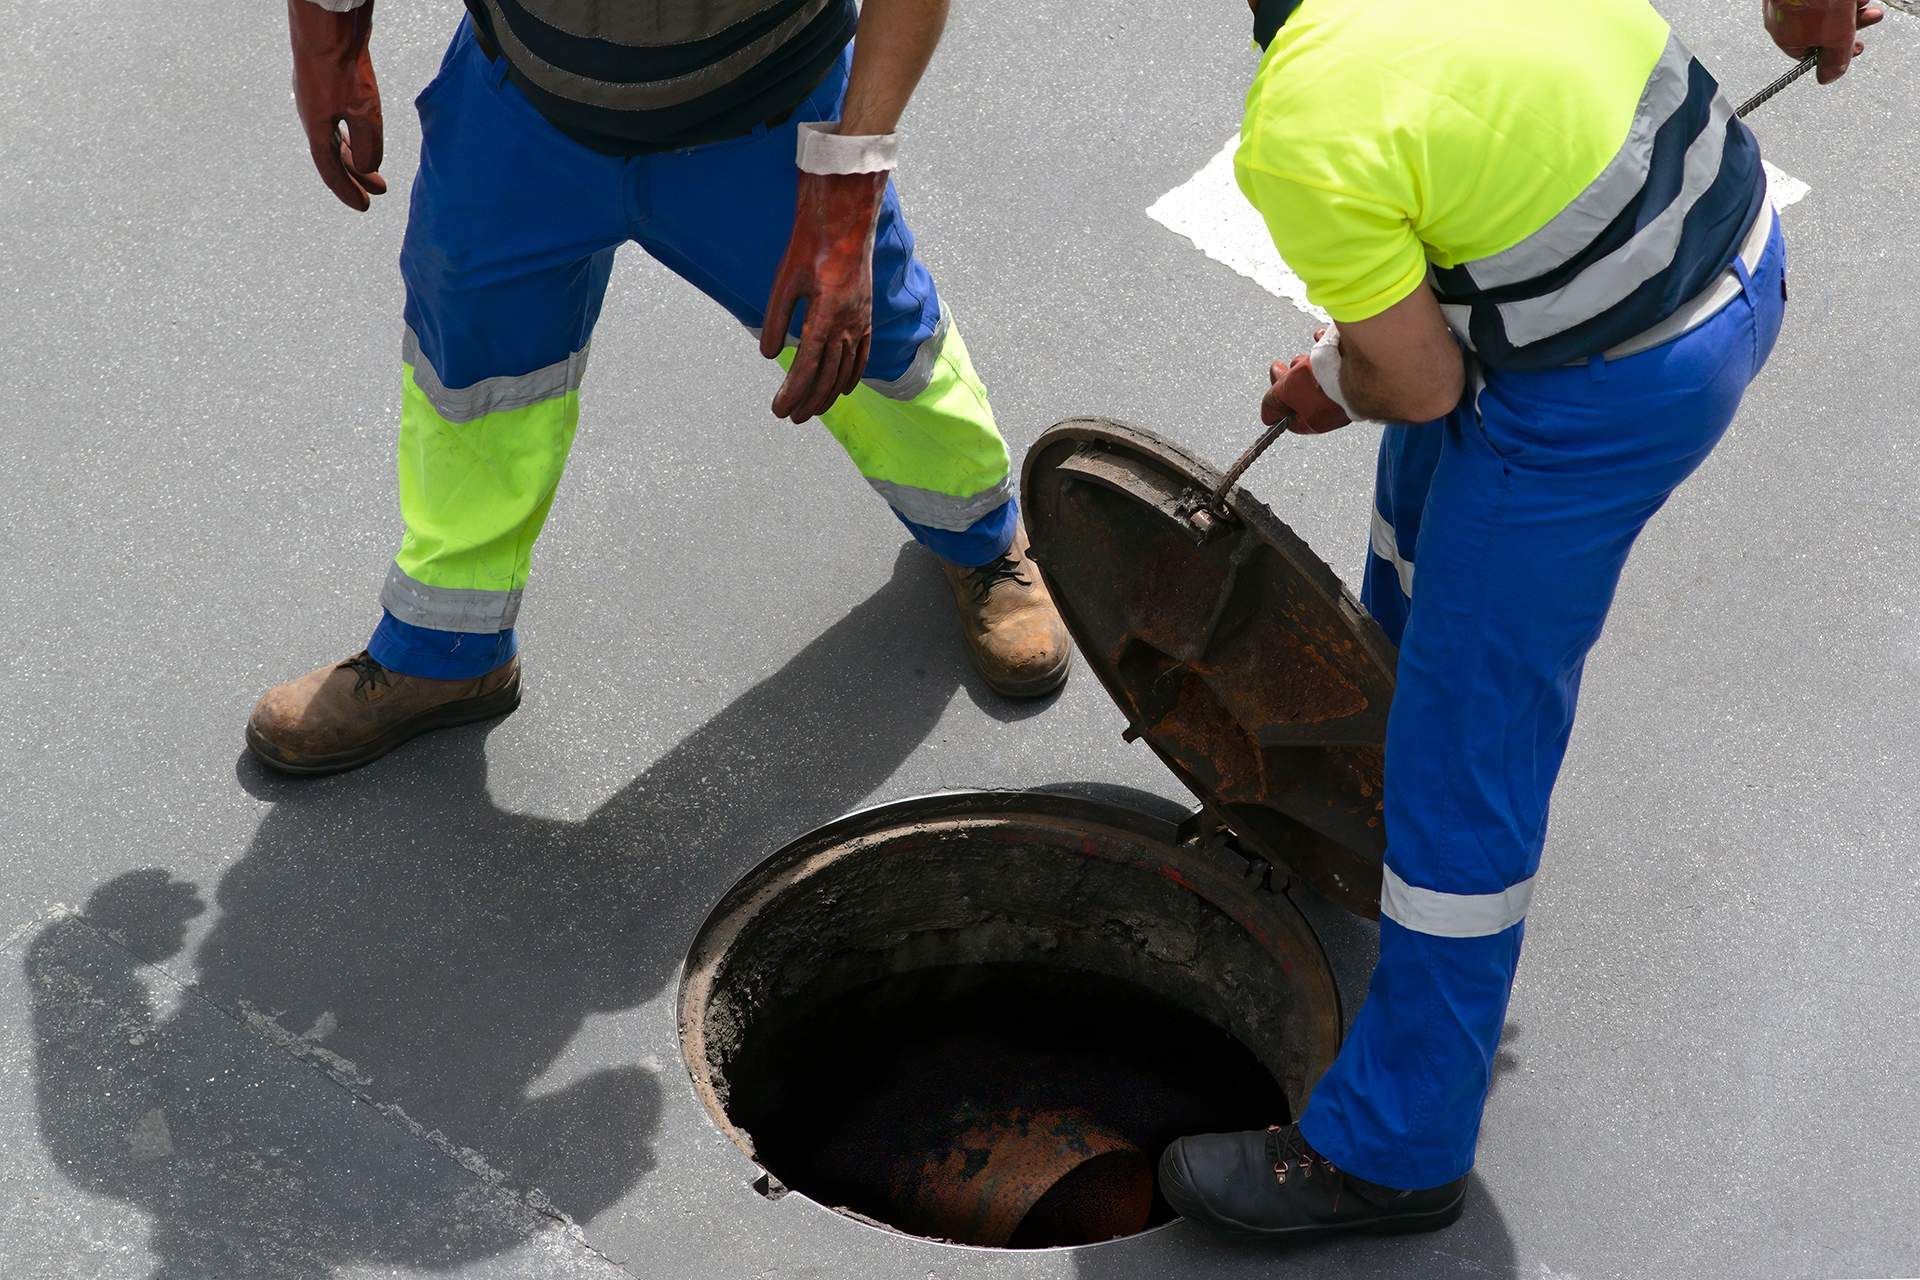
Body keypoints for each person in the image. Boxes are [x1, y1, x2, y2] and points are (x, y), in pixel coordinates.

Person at [1158, 0, 1805, 1241]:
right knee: (1418, 524)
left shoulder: (1303, 118)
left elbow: (1420, 379)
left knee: (1468, 747)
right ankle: (1362, 778)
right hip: (1717, 246)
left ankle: (1396, 1147)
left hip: (1612, 379)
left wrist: (1350, 375)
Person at [246, 0, 1070, 777]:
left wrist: (850, 184)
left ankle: (983, 540)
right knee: (476, 372)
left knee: (873, 344)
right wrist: (329, 41)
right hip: (521, 117)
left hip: (767, 121)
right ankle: (446, 649)